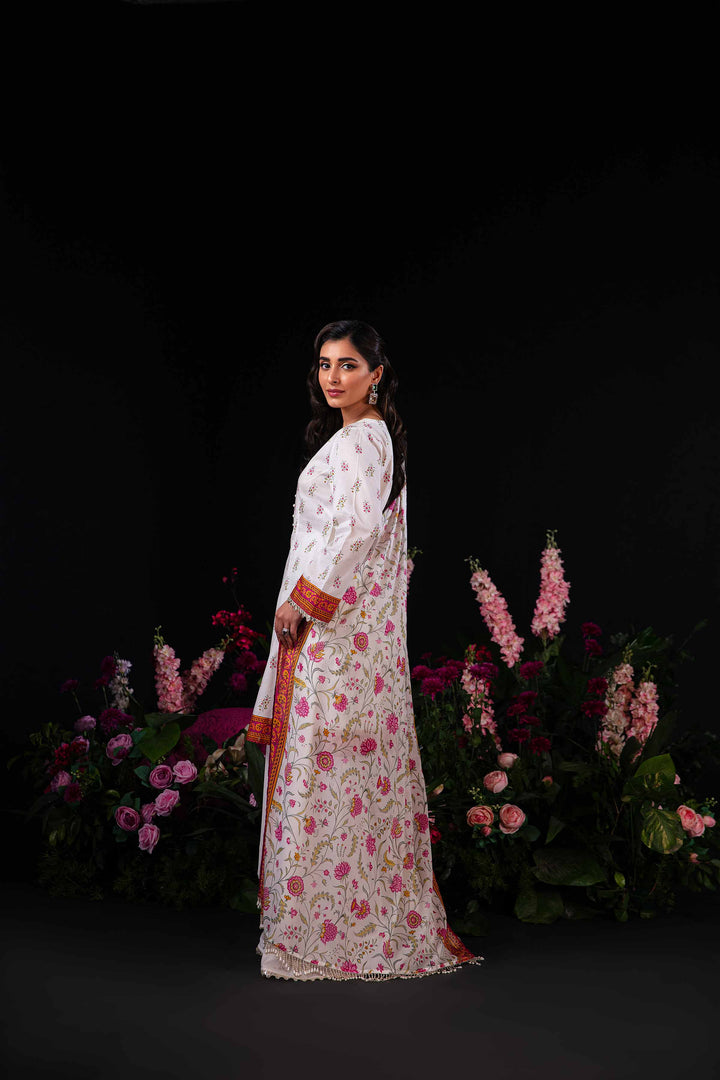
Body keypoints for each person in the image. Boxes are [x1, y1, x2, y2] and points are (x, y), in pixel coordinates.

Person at [247, 319, 481, 980]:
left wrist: (302, 601)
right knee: (342, 774)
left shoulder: (361, 439)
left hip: (330, 635)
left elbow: (355, 531)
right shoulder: (367, 437)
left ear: (376, 374)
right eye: (325, 364)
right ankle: (338, 923)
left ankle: (322, 936)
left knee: (325, 770)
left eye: (348, 364)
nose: (333, 377)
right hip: (343, 636)